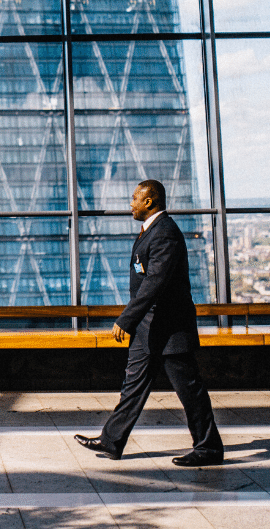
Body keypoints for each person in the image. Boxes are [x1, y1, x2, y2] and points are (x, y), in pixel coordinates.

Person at [75, 179, 224, 467]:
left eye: (134, 198)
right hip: (149, 329)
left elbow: (155, 282)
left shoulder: (165, 233)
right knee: (132, 386)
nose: (130, 204)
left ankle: (209, 448)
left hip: (169, 329)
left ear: (149, 201)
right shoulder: (151, 231)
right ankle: (111, 440)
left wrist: (127, 318)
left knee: (189, 390)